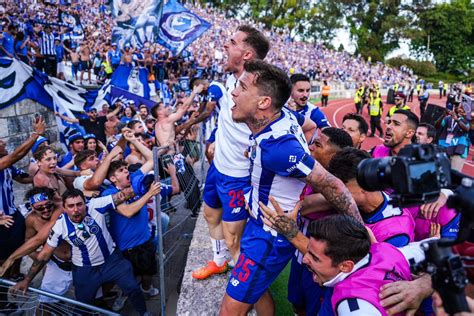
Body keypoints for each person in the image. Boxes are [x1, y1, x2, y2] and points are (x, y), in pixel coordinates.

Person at [219, 59, 359, 315]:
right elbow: (308, 125)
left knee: (229, 311)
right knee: (256, 292)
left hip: (267, 237)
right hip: (261, 229)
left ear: (263, 103)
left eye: (241, 87)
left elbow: (332, 185)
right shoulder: (282, 115)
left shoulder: (279, 149)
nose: (233, 92)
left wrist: (363, 235)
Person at [16, 188, 158, 315]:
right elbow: (43, 255)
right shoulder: (59, 227)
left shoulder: (96, 206)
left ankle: (144, 313)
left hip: (112, 262)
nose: (76, 210)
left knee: (132, 288)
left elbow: (122, 195)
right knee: (83, 304)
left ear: (86, 204)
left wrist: (145, 188)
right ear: (64, 209)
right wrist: (27, 280)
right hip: (85, 270)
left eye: (79, 204)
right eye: (71, 206)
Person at [0, 116, 45, 311]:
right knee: (2, 260)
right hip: (2, 221)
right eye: (0, 142)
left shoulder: (7, 165)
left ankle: (15, 277)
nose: (3, 142)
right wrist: (36, 134)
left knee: (19, 249)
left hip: (13, 214)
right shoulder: (5, 160)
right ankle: (4, 302)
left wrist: (42, 173)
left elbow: (24, 178)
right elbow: (16, 155)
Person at [11, 188, 73, 312]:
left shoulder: (64, 210)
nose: (45, 210)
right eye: (40, 208)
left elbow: (40, 238)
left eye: (48, 205)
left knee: (93, 299)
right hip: (58, 265)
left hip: (83, 262)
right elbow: (29, 241)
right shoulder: (32, 220)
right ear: (32, 207)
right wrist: (41, 258)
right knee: (45, 302)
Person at [56, 105, 121, 145]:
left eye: (95, 112)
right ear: (88, 114)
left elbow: (112, 114)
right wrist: (60, 116)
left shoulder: (101, 119)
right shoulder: (85, 121)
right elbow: (71, 120)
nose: (94, 113)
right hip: (91, 144)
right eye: (92, 112)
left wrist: (119, 107)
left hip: (103, 144)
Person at [436, 104, 471, 171]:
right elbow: (437, 125)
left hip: (459, 150)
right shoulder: (448, 118)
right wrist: (443, 116)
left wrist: (457, 120)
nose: (461, 110)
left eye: (463, 109)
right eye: (459, 108)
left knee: (454, 174)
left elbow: (467, 129)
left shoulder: (467, 120)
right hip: (445, 148)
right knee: (441, 172)